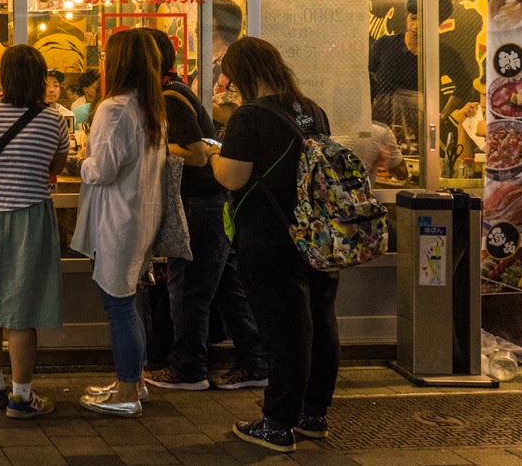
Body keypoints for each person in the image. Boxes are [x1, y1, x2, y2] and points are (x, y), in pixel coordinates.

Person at [209, 37, 338, 454]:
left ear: (243, 74)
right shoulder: (310, 109)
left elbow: (232, 177)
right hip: (316, 232)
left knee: (285, 330)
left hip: (270, 235)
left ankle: (277, 423)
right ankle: (313, 414)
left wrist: (214, 152)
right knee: (319, 319)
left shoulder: (249, 117)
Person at [137, 29, 269, 394]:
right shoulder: (175, 91)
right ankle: (256, 364)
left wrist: (155, 151)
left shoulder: (170, 97)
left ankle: (188, 369)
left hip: (198, 204)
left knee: (188, 290)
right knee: (227, 289)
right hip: (211, 203)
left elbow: (195, 153)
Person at [0, 45, 72, 420]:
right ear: (40, 79)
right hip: (30, 215)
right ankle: (21, 397)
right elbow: (56, 164)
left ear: (2, 77)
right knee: (22, 312)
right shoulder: (54, 120)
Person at [73, 29, 167, 417]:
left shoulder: (114, 108)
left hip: (118, 219)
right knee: (129, 301)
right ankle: (133, 381)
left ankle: (127, 391)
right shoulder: (150, 107)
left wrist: (81, 158)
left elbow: (103, 169)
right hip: (139, 216)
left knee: (119, 305)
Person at [369, 0, 474, 148]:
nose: (415, 26)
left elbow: (464, 86)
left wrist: (442, 115)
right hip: (382, 128)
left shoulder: (444, 53)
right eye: (413, 18)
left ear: (439, 23)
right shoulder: (385, 45)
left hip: (420, 132)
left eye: (424, 21)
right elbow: (365, 78)